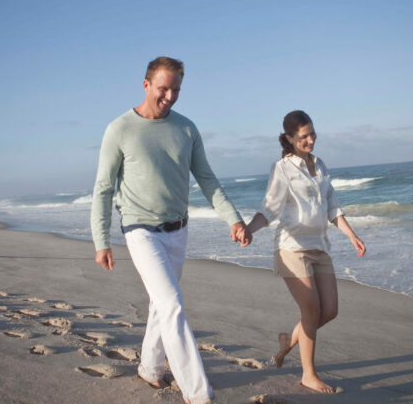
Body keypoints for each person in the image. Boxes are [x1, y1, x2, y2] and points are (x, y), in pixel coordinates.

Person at [90, 56, 251, 404]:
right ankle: (198, 394)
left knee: (160, 306)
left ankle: (149, 368)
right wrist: (101, 240)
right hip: (139, 229)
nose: (169, 96)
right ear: (146, 84)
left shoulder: (187, 129)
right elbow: (103, 188)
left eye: (176, 89)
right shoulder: (119, 129)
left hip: (178, 230)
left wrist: (234, 219)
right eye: (163, 88)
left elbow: (207, 179)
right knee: (173, 304)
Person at [245, 110, 365, 394]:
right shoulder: (283, 169)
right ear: (289, 138)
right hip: (292, 248)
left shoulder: (320, 165)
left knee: (330, 311)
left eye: (312, 133)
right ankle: (308, 374)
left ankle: (289, 339)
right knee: (311, 309)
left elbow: (333, 207)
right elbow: (269, 209)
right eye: (303, 137)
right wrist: (249, 229)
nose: (310, 140)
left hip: (320, 248)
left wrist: (352, 235)